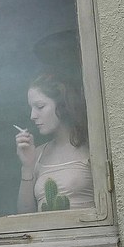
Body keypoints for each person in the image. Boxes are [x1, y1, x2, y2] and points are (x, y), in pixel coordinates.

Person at [15, 73, 95, 213]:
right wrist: (27, 166)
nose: (32, 116)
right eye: (31, 108)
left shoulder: (92, 147)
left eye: (40, 106)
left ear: (62, 105)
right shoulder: (37, 154)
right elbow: (24, 215)